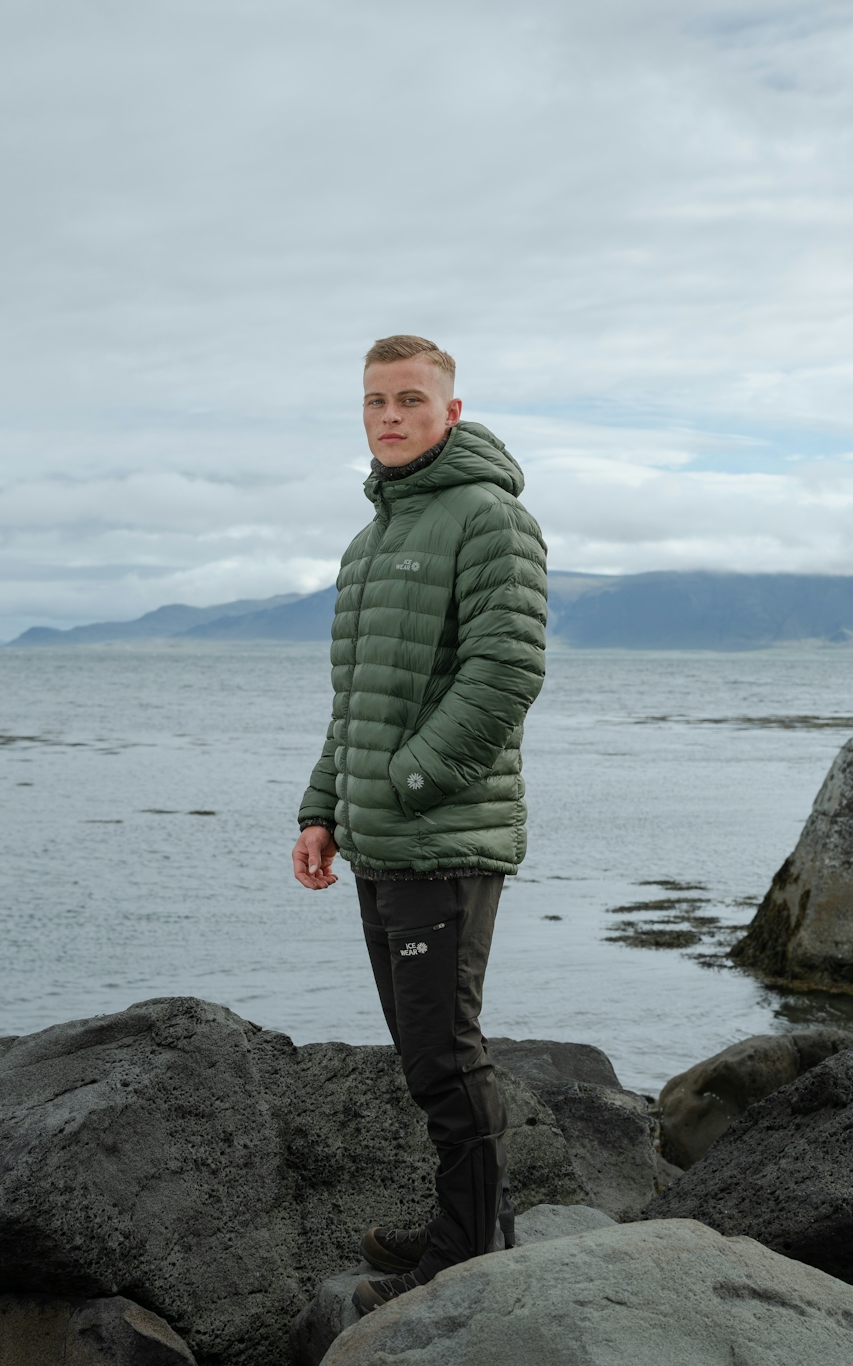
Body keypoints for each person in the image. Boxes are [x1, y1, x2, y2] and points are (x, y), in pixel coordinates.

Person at [290, 334, 548, 1312]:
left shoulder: (490, 519)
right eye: (372, 401)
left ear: (449, 410)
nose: (388, 415)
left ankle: (466, 1242)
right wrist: (324, 806)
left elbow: (505, 673)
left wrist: (406, 779)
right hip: (378, 837)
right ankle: (473, 1219)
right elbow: (357, 699)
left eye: (407, 399)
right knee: (422, 1054)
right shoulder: (371, 542)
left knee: (445, 1052)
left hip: (442, 836)